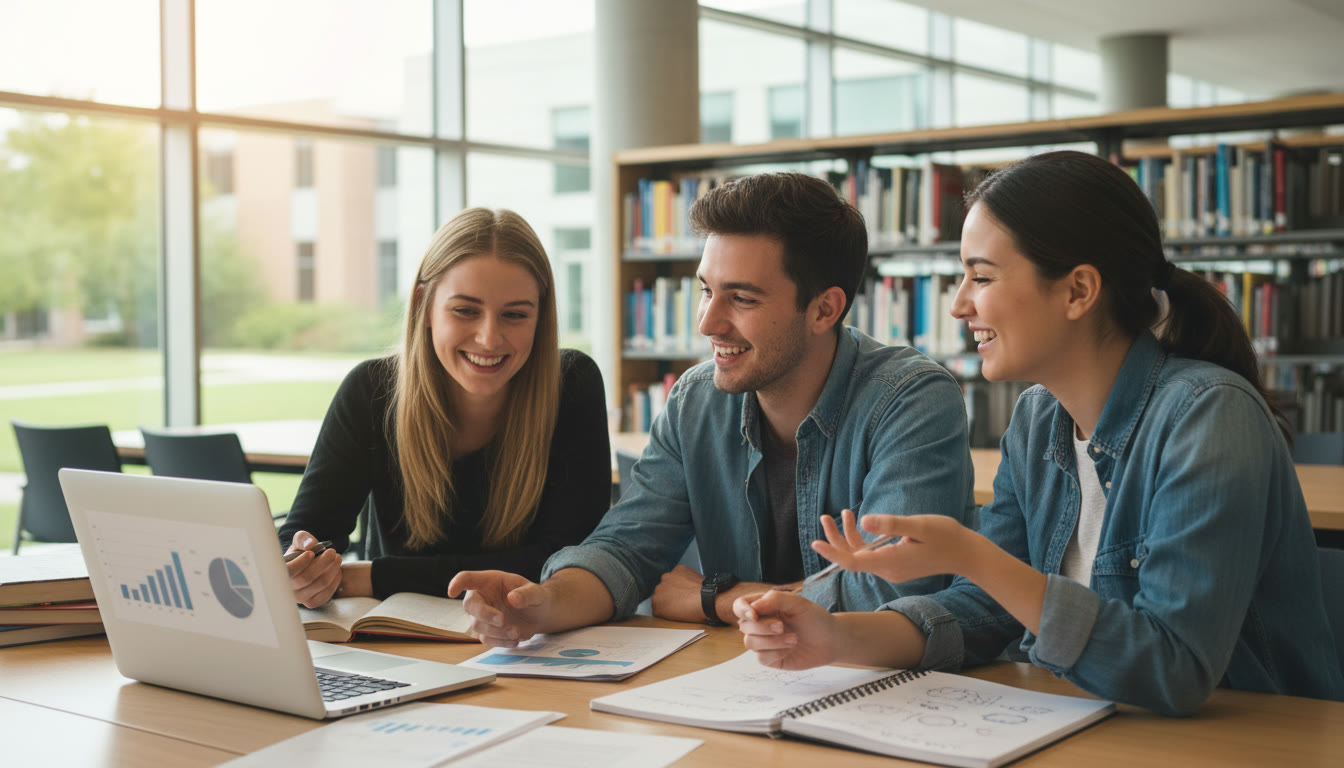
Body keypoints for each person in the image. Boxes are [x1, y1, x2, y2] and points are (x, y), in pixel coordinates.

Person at [734, 150, 1344, 716]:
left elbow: (1175, 669)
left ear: (1078, 290)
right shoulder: (1038, 417)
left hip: (1240, 739)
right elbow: (985, 609)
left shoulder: (1209, 415)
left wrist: (972, 555)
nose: (958, 305)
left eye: (982, 277)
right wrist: (836, 635)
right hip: (1085, 724)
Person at [448, 171, 978, 645]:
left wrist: (716, 598)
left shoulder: (913, 399)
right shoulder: (695, 399)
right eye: (706, 290)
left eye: (742, 299)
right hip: (743, 686)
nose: (707, 322)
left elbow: (889, 589)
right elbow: (627, 550)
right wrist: (541, 605)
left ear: (824, 309)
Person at [280, 207, 612, 609]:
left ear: (541, 318)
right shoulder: (371, 391)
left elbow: (566, 562)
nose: (489, 338)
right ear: (424, 305)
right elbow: (303, 534)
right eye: (466, 311)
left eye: (515, 315)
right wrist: (301, 567)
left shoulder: (571, 384)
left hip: (530, 647)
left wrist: (374, 576)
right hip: (396, 644)